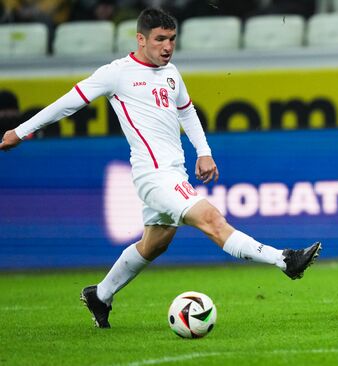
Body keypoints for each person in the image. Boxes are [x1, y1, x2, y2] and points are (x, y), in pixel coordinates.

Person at [0, 7, 321, 328]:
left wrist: (204, 152)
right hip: (153, 176)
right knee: (211, 218)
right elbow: (68, 102)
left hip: (174, 171)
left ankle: (101, 294)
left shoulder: (171, 73)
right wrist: (20, 131)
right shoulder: (116, 73)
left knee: (155, 243)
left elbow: (187, 112)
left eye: (172, 39)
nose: (167, 46)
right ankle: (284, 259)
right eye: (159, 39)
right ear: (140, 39)